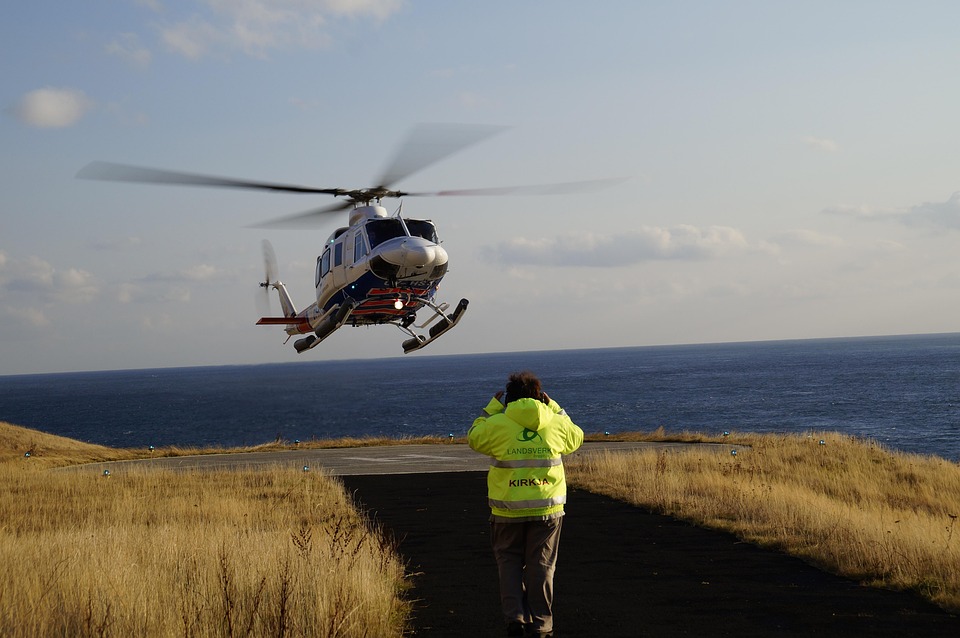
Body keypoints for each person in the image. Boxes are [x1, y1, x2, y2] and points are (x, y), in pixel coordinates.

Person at [467, 371, 584, 638]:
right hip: (547, 508)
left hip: (506, 509)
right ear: (539, 397)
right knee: (541, 565)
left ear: (508, 399)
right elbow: (576, 437)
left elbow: (474, 437)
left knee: (508, 562)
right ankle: (542, 625)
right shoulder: (554, 421)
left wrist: (490, 411)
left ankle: (516, 619)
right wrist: (555, 407)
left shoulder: (497, 422)